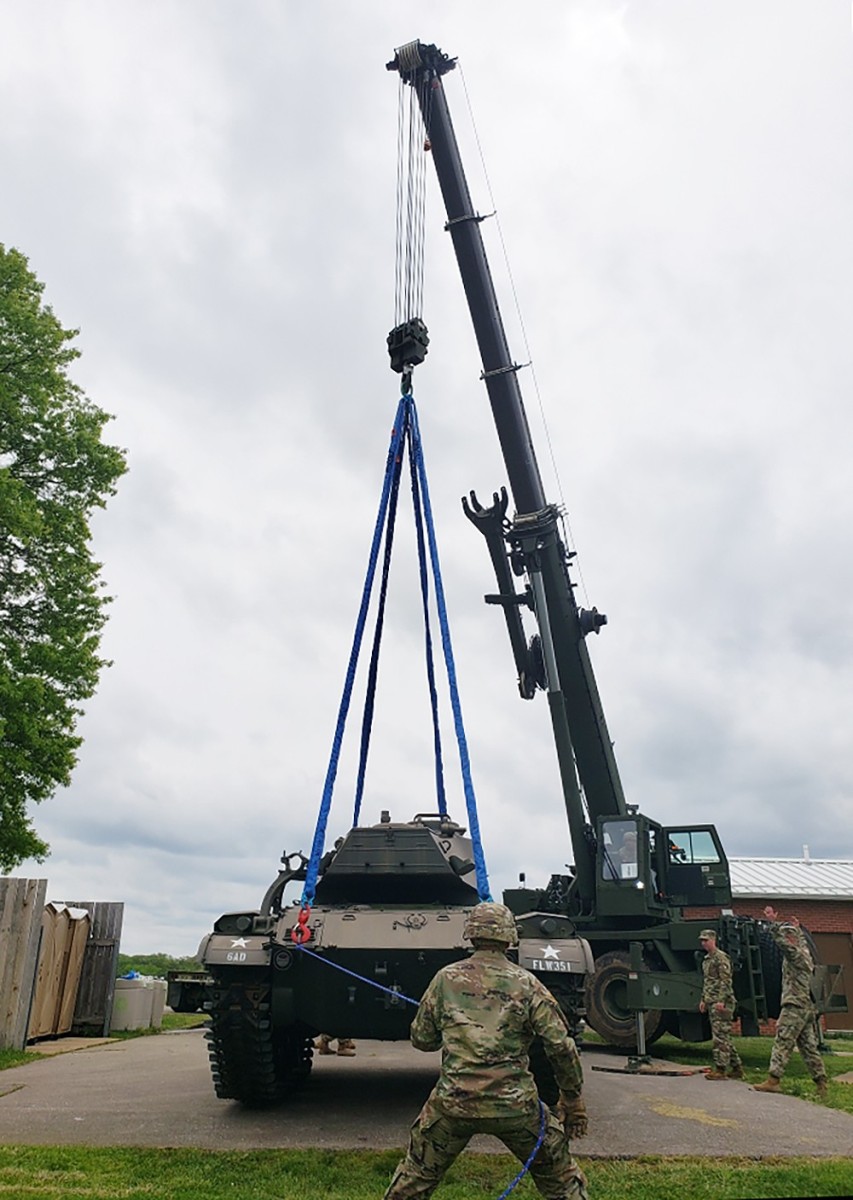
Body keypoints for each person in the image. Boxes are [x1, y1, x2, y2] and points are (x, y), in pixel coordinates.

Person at [383, 901, 588, 1200]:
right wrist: (572, 1099)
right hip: (517, 1108)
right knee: (563, 1182)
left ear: (471, 934)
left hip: (453, 1105)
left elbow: (422, 1040)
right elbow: (561, 1045)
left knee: (414, 1179)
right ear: (509, 938)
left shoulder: (445, 979)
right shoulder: (527, 983)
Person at [752, 906, 828, 1100]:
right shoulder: (805, 953)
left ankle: (774, 1080)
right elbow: (799, 943)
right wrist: (798, 930)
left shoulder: (795, 956)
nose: (789, 939)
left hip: (794, 1005)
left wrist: (772, 923)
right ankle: (821, 1084)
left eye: (790, 936)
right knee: (808, 1047)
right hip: (805, 1007)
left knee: (782, 1041)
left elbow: (782, 944)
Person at [697, 929, 743, 1080]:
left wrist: (721, 1000)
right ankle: (736, 1067)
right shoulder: (707, 960)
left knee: (719, 1037)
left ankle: (721, 1069)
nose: (703, 943)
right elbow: (708, 982)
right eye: (702, 941)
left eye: (706, 940)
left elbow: (726, 981)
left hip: (722, 1002)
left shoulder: (721, 958)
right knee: (723, 1036)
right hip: (711, 1001)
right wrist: (704, 999)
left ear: (713, 940)